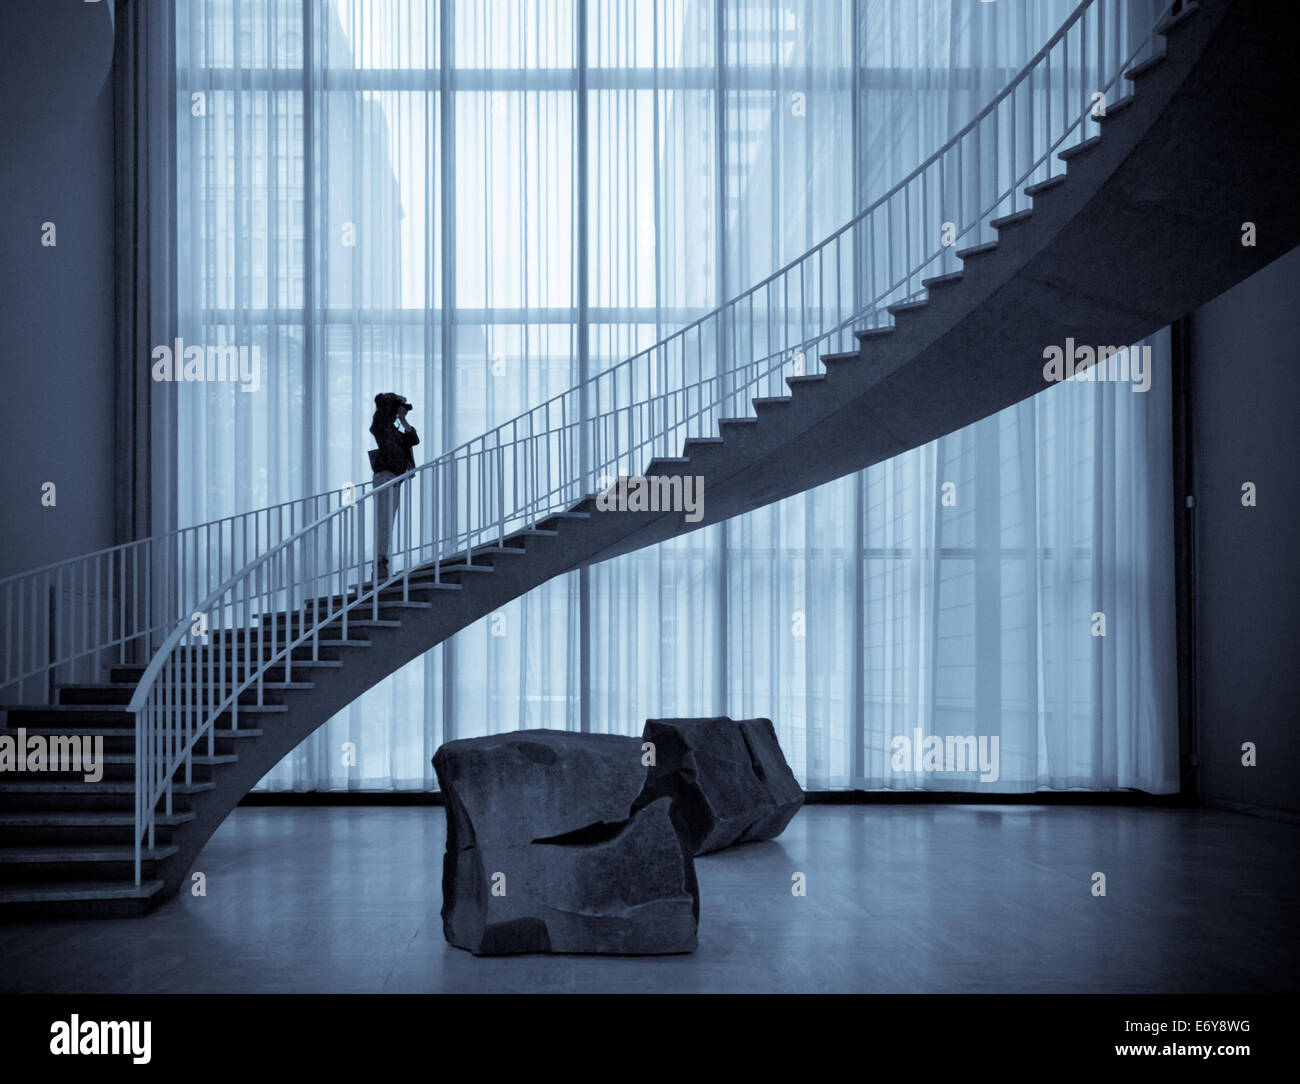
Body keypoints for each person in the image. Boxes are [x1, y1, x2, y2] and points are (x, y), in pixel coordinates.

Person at [369, 392, 419, 580]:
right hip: (384, 477)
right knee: (383, 522)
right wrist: (396, 398)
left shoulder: (396, 432)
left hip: (395, 479)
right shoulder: (381, 427)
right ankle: (380, 563)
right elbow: (380, 402)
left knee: (387, 523)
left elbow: (414, 439)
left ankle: (382, 561)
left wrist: (403, 419)